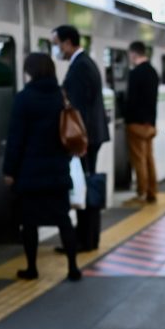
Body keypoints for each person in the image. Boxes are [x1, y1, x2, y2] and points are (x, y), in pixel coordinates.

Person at [2, 53, 81, 282]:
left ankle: (32, 268)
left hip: (30, 173)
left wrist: (9, 171)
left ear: (30, 71)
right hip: (57, 171)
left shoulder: (23, 98)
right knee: (63, 219)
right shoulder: (61, 96)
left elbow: (15, 139)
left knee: (29, 223)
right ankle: (73, 268)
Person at [52, 25, 109, 250]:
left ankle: (84, 240)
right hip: (92, 135)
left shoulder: (79, 67)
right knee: (87, 184)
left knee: (83, 187)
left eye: (57, 44)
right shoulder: (86, 63)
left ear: (67, 42)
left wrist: (79, 142)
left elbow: (78, 109)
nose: (57, 50)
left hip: (86, 138)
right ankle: (88, 237)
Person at [124, 41, 160, 203]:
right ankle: (152, 191)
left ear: (133, 53)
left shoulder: (135, 73)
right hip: (150, 124)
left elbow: (131, 100)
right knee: (149, 158)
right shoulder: (153, 72)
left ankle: (141, 192)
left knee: (139, 159)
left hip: (136, 123)